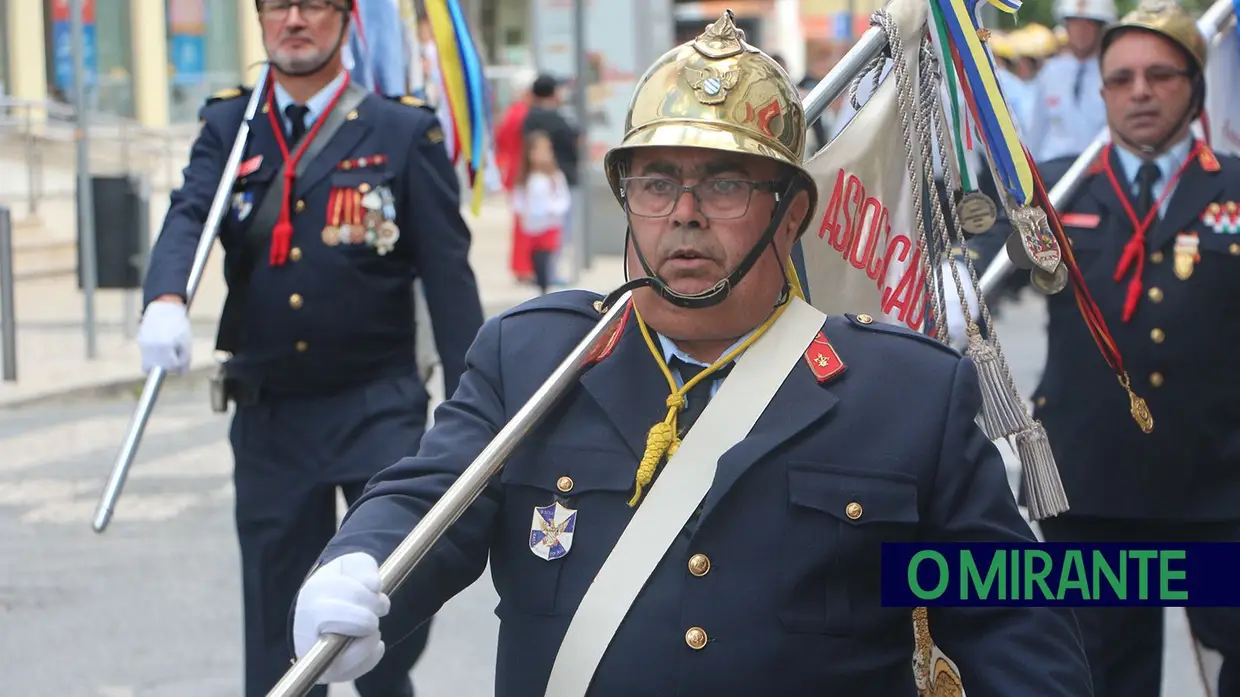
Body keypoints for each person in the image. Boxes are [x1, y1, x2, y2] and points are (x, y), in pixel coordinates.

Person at [287, 12, 1093, 696]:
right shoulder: (534, 357)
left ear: (791, 214)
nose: (684, 214)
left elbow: (1015, 623)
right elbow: (429, 500)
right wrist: (355, 564)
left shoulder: (908, 392)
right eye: (656, 182)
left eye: (725, 185)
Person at [135, 0, 485, 695]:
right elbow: (190, 212)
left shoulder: (400, 130)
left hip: (376, 406)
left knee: (385, 610)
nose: (294, 20)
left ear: (346, 18)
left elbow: (448, 279)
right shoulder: (230, 126)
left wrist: (481, 403)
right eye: (277, 6)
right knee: (276, 626)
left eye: (314, 4)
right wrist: (165, 297)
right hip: (273, 412)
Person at [967, 2, 1240, 694]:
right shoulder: (1056, 187)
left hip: (1217, 488)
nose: (1139, 92)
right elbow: (972, 257)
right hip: (1092, 487)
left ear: (1195, 85)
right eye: (1121, 80)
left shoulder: (1233, 187)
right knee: (1101, 672)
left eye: (1159, 75)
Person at [1026, 0, 1117, 162]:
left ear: (1101, 29)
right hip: (1053, 166)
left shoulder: (1113, 72)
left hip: (1099, 166)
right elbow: (1037, 130)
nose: (1081, 32)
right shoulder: (1050, 73)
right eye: (1074, 24)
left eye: (1088, 25)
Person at [523, 74, 581, 284]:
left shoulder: (530, 118)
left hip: (538, 180)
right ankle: (551, 273)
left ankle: (542, 272)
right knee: (561, 232)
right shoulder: (557, 118)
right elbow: (573, 140)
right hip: (563, 178)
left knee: (540, 234)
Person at [510, 131, 570, 295]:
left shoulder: (555, 177)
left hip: (549, 225)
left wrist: (553, 210)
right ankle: (538, 284)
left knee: (546, 259)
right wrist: (522, 213)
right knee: (533, 261)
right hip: (531, 226)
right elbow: (518, 200)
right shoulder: (525, 178)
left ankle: (545, 286)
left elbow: (563, 200)